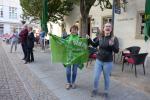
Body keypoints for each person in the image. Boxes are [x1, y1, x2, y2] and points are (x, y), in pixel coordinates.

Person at [88, 23, 119, 97]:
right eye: (106, 26)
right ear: (103, 28)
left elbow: (116, 51)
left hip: (108, 62)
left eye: (109, 26)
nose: (108, 27)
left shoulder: (114, 38)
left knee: (106, 78)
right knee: (96, 77)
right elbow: (95, 45)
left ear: (111, 29)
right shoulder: (100, 37)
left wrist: (112, 45)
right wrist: (89, 39)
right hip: (99, 60)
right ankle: (95, 89)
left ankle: (106, 92)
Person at [64, 25, 80, 90]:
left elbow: (83, 46)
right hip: (69, 56)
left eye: (75, 29)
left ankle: (73, 82)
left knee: (74, 71)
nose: (74, 31)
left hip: (76, 57)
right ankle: (68, 82)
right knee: (68, 71)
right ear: (70, 31)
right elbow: (61, 41)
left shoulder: (79, 38)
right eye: (73, 29)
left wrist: (88, 39)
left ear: (77, 31)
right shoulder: (67, 37)